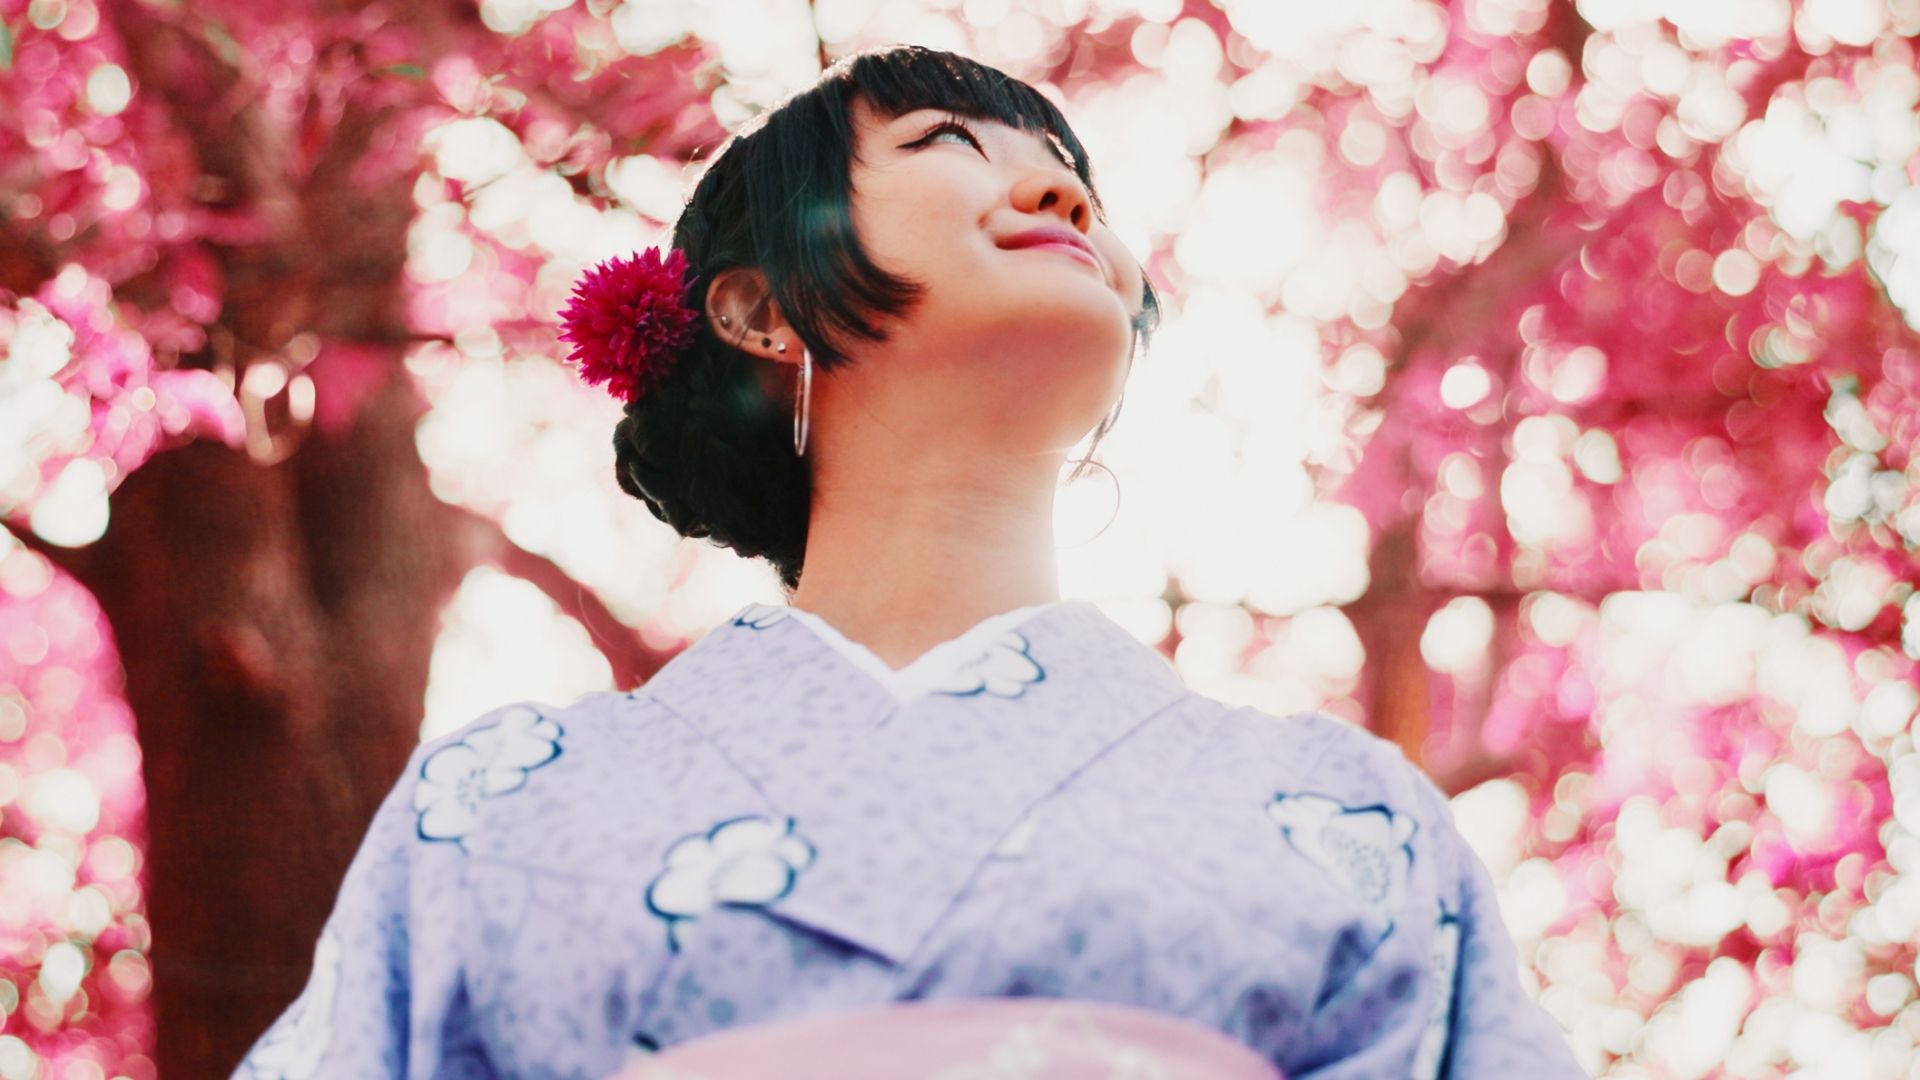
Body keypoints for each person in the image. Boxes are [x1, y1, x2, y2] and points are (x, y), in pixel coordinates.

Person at [235, 44, 1585, 1080]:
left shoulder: (1350, 813)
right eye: (950, 142)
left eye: (1075, 175)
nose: (1061, 192)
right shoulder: (498, 808)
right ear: (757, 307)